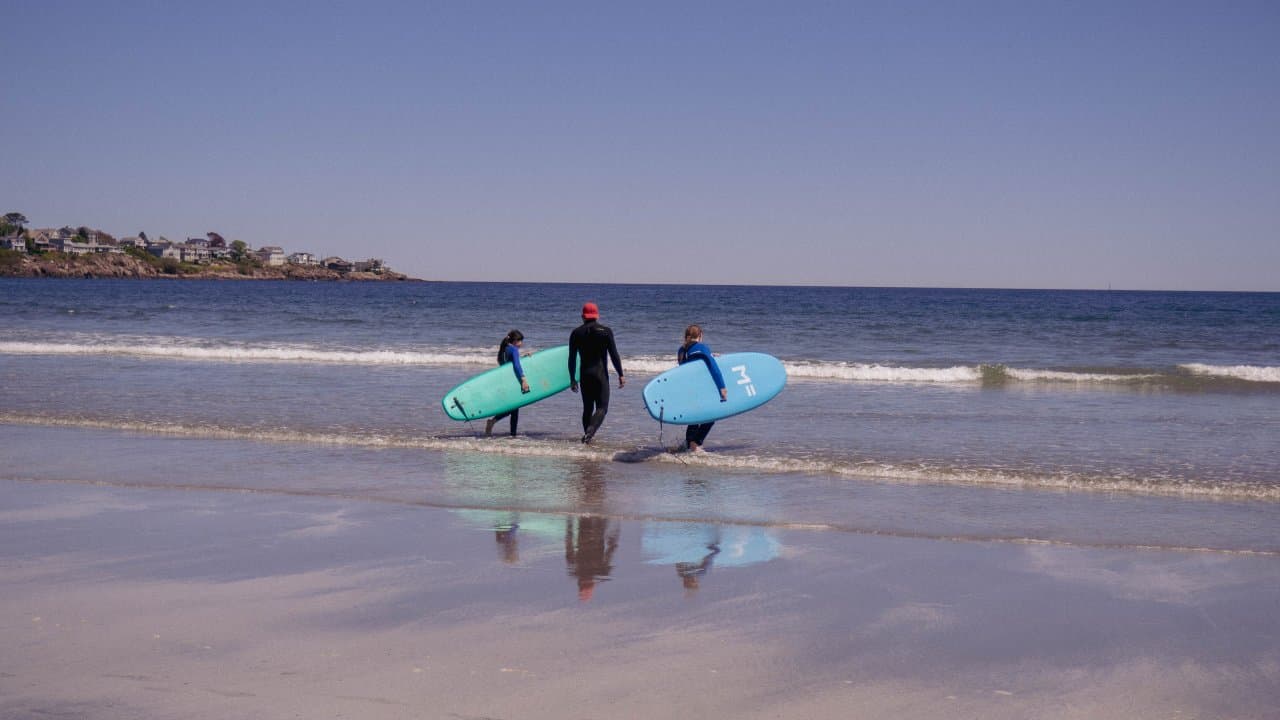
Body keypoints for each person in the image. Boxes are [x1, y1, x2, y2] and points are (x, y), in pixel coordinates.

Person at [568, 302, 624, 444]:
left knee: (587, 408)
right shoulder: (605, 331)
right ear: (597, 316)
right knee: (602, 407)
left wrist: (572, 379)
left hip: (585, 374)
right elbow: (614, 355)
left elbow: (572, 358)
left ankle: (587, 437)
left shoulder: (576, 333)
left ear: (583, 316)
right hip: (600, 375)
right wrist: (620, 374)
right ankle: (590, 433)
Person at [677, 324, 727, 452]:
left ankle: (688, 445)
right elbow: (713, 368)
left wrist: (709, 355)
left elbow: (688, 366)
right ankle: (696, 443)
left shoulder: (681, 350)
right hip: (701, 387)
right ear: (700, 336)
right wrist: (722, 387)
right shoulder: (702, 347)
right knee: (712, 414)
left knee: (694, 416)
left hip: (687, 387)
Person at [485, 329, 531, 436]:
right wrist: (523, 379)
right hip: (512, 383)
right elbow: (516, 366)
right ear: (515, 341)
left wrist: (522, 358)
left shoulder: (504, 349)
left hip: (504, 382)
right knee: (513, 408)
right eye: (520, 341)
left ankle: (512, 434)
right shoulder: (514, 350)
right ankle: (494, 422)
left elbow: (508, 364)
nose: (521, 344)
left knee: (514, 409)